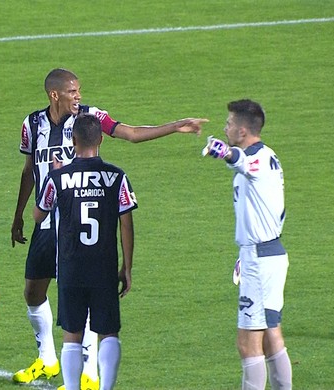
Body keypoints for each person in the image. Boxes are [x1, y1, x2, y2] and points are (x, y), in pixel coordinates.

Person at [11, 67, 207, 390]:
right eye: (73, 91)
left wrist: (175, 127)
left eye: (80, 91)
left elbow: (129, 133)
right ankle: (47, 359)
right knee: (33, 292)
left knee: (76, 292)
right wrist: (18, 215)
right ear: (54, 94)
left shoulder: (90, 118)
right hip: (44, 221)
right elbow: (29, 170)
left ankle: (88, 373)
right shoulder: (32, 124)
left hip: (72, 228)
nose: (79, 96)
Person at [34, 113, 137, 390]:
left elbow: (37, 214)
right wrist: (127, 267)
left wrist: (53, 176)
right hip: (103, 267)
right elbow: (126, 224)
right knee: (108, 332)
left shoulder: (58, 177)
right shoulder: (117, 176)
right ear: (101, 139)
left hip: (71, 267)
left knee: (72, 335)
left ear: (73, 140)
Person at [201, 99, 292, 390]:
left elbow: (238, 159)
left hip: (261, 261)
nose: (225, 128)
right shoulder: (268, 156)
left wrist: (222, 151)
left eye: (228, 124)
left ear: (242, 131)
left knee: (247, 344)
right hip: (267, 252)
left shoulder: (256, 158)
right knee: (270, 335)